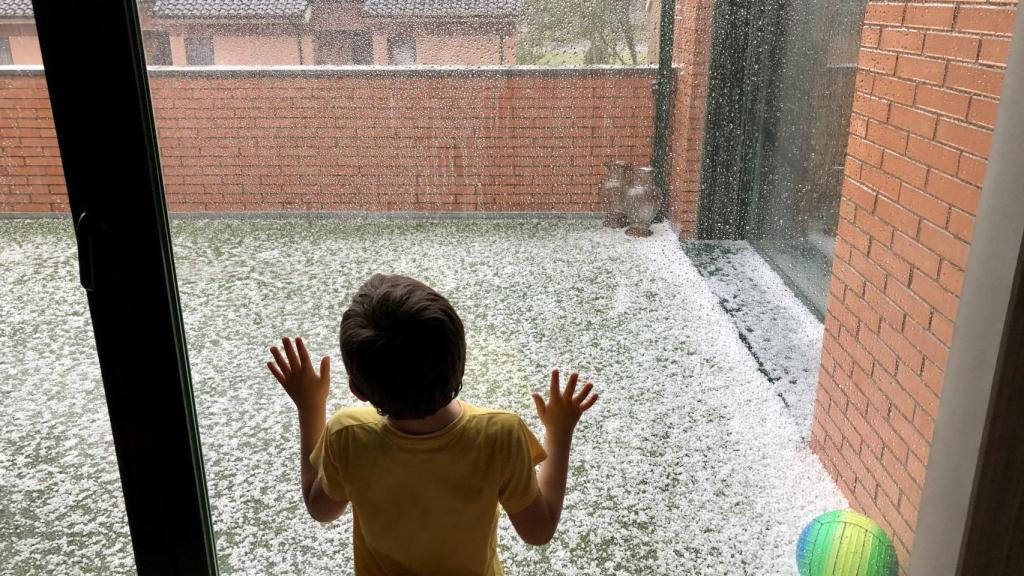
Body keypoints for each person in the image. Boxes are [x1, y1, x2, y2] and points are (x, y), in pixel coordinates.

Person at [267, 274, 598, 575]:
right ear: (461, 362)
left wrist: (310, 407)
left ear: (357, 390)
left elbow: (321, 508)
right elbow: (538, 530)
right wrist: (560, 430)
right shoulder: (500, 435)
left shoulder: (347, 434)